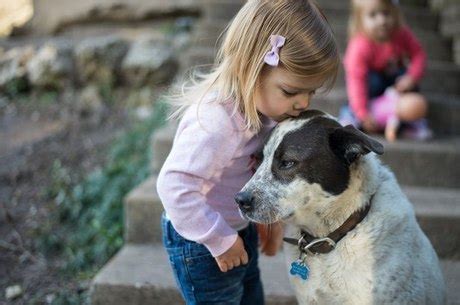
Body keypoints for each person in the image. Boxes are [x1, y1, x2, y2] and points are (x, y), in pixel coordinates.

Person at [156, 0, 339, 304]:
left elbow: (256, 173)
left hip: (237, 228)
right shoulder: (217, 124)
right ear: (251, 69)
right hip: (201, 241)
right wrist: (220, 240)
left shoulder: (268, 112)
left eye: (312, 92)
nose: (304, 103)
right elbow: (174, 187)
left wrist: (267, 221)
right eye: (291, 91)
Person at [342, 0, 432, 141]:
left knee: (408, 80)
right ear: (360, 20)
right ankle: (352, 115)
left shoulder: (401, 33)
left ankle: (407, 121)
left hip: (395, 86)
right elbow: (355, 80)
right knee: (373, 81)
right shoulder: (359, 45)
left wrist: (411, 77)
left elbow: (418, 54)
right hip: (370, 91)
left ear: (395, 14)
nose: (382, 20)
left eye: (386, 13)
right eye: (373, 15)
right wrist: (362, 112)